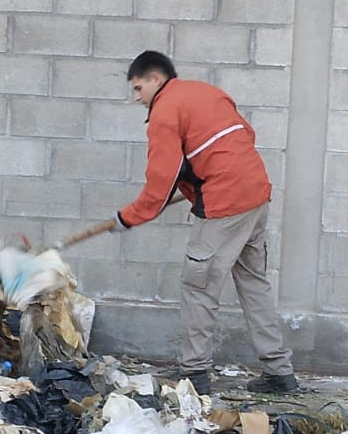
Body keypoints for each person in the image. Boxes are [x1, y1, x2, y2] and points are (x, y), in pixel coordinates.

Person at [106, 51, 297, 394]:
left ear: (155, 78)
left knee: (198, 288)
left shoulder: (165, 112)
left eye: (138, 88)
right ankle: (279, 372)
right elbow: (241, 137)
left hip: (226, 203)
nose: (136, 98)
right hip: (255, 193)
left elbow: (160, 181)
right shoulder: (207, 92)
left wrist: (128, 218)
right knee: (254, 284)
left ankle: (194, 375)